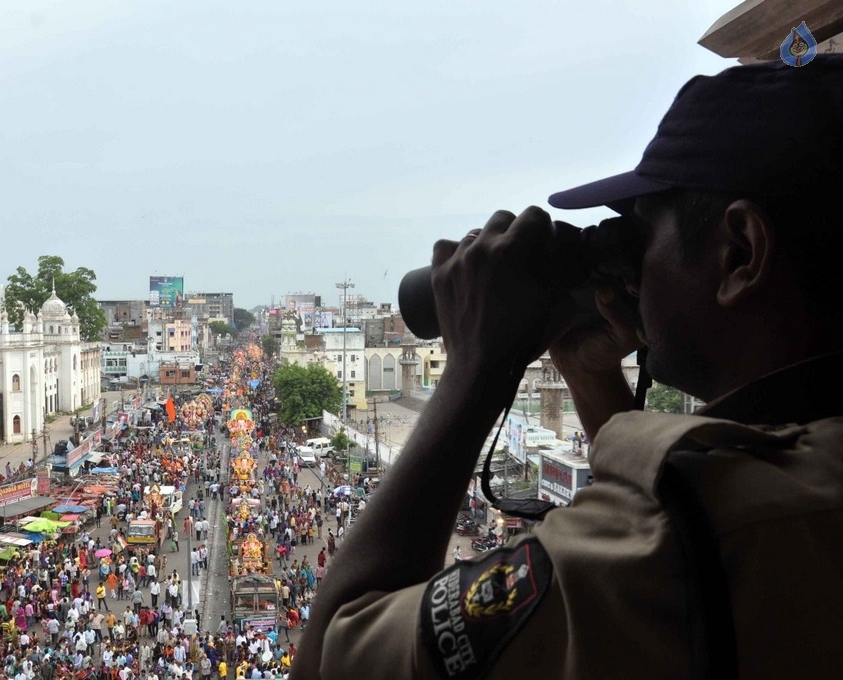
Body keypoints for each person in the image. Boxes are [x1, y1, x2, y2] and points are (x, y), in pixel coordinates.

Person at [296, 56, 843, 678]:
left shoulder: (682, 539)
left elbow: (330, 658)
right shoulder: (792, 483)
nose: (627, 268)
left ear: (740, 252)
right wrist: (591, 377)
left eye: (637, 238)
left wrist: (476, 369)